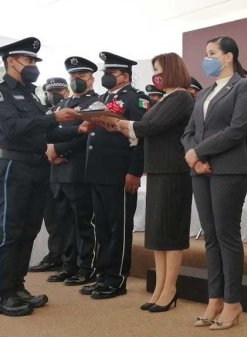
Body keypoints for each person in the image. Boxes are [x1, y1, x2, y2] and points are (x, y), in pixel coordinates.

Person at [0, 37, 83, 317]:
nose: (33, 66)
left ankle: (17, 288)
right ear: (10, 61)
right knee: (9, 232)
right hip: (14, 167)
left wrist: (80, 129)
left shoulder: (31, 95)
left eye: (35, 61)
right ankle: (2, 295)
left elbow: (46, 133)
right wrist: (54, 117)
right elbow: (13, 128)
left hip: (39, 167)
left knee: (28, 231)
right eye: (28, 60)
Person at [94, 52, 194, 312]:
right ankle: (160, 287)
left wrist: (120, 122)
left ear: (171, 70)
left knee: (170, 234)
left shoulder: (181, 97)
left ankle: (170, 289)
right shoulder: (166, 99)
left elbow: (150, 127)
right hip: (158, 169)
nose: (156, 75)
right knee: (158, 234)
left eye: (159, 69)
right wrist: (117, 125)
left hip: (173, 171)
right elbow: (144, 128)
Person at [182, 36, 247, 330]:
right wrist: (194, 158)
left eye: (212, 53)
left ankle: (232, 302)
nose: (207, 59)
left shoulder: (244, 87)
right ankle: (214, 298)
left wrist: (200, 152)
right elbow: (189, 131)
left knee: (227, 237)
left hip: (228, 169)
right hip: (199, 170)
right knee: (210, 237)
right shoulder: (204, 93)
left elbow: (238, 128)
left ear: (228, 57)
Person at [78, 51, 147, 300]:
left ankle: (117, 278)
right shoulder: (102, 98)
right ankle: (103, 274)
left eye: (111, 73)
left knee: (119, 226)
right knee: (102, 226)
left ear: (125, 76)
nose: (106, 77)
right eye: (105, 73)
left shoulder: (135, 99)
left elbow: (140, 138)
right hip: (97, 171)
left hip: (120, 172)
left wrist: (134, 171)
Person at [45, 57, 99, 286]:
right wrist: (49, 150)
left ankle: (86, 267)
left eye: (82, 76)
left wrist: (57, 149)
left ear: (91, 79)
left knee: (82, 221)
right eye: (73, 76)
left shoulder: (96, 104)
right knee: (63, 221)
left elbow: (88, 136)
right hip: (57, 172)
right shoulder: (59, 106)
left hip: (79, 170)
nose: (77, 80)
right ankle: (68, 264)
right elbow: (47, 132)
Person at [29, 77, 72, 273]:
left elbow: (80, 135)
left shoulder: (73, 109)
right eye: (50, 92)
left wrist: (59, 152)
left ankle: (68, 259)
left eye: (60, 90)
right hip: (46, 170)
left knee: (69, 218)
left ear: (67, 91)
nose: (55, 95)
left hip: (70, 167)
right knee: (52, 218)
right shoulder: (44, 114)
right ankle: (55, 255)